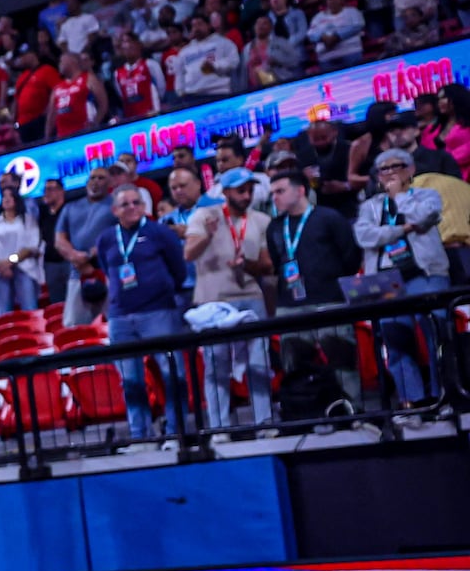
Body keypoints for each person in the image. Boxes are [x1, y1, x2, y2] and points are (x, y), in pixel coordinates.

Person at [354, 148, 451, 406]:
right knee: (395, 342)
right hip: (386, 280)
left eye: (395, 166)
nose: (389, 173)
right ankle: (414, 401)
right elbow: (365, 236)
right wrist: (403, 228)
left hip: (425, 274)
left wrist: (400, 198)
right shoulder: (369, 206)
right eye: (383, 169)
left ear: (410, 170)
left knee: (438, 336)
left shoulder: (426, 196)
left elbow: (423, 216)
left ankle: (445, 395)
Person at [96, 186, 191, 442]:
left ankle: (177, 433)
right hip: (121, 317)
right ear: (115, 211)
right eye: (125, 204)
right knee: (130, 381)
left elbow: (178, 269)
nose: (132, 207)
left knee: (172, 374)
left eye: (136, 202)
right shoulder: (106, 239)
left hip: (159, 312)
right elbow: (108, 270)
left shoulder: (160, 233)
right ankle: (140, 437)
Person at [266, 166, 366, 410]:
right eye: (272, 193)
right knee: (295, 366)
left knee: (342, 361)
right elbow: (277, 263)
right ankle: (305, 413)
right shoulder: (275, 227)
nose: (274, 197)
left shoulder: (329, 217)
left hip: (329, 301)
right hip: (290, 306)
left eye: (280, 191)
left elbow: (351, 258)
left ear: (300, 190)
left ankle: (352, 412)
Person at [183, 168, 274, 430]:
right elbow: (189, 254)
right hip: (214, 300)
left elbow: (267, 266)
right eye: (240, 190)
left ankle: (265, 423)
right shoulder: (204, 216)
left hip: (251, 297)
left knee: (259, 364)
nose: (246, 195)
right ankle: (220, 428)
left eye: (249, 190)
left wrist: (248, 265)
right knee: (216, 366)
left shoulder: (261, 220)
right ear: (225, 192)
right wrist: (208, 235)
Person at [53, 166, 119, 323]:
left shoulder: (117, 205)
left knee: (117, 321)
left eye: (101, 178)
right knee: (73, 326)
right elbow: (59, 239)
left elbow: (119, 234)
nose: (95, 182)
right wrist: (75, 256)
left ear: (109, 182)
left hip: (109, 273)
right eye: (92, 178)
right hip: (78, 273)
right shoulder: (70, 207)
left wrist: (90, 255)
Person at [0, 181, 44, 313]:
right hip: (0, 271)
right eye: (4, 196)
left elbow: (31, 246)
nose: (7, 199)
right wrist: (0, 265)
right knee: (4, 312)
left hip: (24, 269)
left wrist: (10, 261)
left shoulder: (27, 220)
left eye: (10, 196)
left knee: (30, 309)